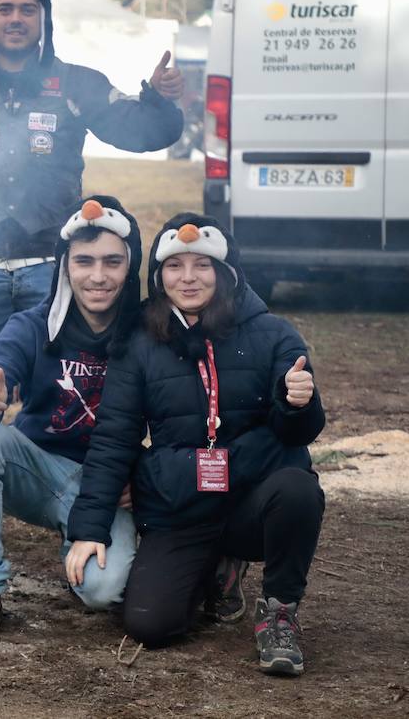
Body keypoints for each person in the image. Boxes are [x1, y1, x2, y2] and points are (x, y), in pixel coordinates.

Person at [0, 0, 185, 538]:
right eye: (4, 9)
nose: (15, 19)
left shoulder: (74, 84)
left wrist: (159, 99)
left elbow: (142, 132)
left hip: (53, 269)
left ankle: (76, 486)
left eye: (26, 9)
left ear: (43, 19)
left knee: (71, 376)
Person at [66, 214, 324, 676]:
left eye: (202, 265)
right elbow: (114, 436)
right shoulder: (140, 341)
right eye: (174, 266)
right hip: (181, 505)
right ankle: (215, 570)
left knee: (297, 487)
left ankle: (280, 612)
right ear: (158, 275)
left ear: (226, 272)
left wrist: (298, 403)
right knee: (150, 623)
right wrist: (89, 528)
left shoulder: (274, 333)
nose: (188, 278)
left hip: (250, 503)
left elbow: (296, 436)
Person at [0, 196, 143, 636]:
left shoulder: (148, 333)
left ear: (129, 267)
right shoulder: (33, 325)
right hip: (37, 468)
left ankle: (77, 542)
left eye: (112, 262)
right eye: (84, 261)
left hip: (109, 485)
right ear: (64, 265)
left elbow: (180, 419)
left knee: (102, 593)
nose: (98, 276)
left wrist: (144, 473)